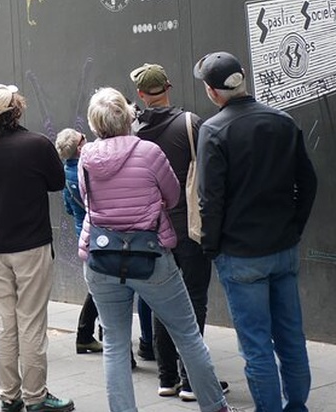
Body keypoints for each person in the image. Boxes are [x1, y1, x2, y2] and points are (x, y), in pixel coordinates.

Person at [78, 87, 231, 412]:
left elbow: (86, 199)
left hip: (101, 258)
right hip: (150, 255)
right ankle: (215, 407)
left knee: (116, 344)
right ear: (127, 117)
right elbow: (174, 197)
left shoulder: (86, 159)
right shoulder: (148, 152)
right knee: (188, 335)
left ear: (94, 123)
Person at [193, 52, 318, 412]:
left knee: (256, 345)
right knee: (291, 336)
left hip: (240, 253)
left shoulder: (214, 130)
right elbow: (307, 182)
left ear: (213, 93)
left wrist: (210, 246)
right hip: (282, 246)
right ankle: (296, 406)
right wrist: (295, 227)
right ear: (243, 78)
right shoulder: (282, 121)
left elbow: (210, 198)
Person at [131, 63, 228, 401]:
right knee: (194, 300)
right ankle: (191, 381)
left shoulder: (133, 132)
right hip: (190, 226)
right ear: (169, 87)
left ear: (141, 95)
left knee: (160, 301)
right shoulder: (190, 123)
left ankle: (166, 377)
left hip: (153, 229)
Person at [0, 84, 74, 412]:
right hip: (30, 245)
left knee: (4, 323)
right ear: (15, 109)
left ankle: (9, 396)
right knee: (31, 322)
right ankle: (35, 398)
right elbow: (57, 182)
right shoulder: (36, 144)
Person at [55, 128, 102, 355]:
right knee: (99, 286)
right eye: (83, 137)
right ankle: (85, 333)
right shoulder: (87, 171)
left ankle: (93, 332)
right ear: (80, 147)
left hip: (82, 232)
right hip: (97, 232)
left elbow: (67, 207)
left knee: (97, 283)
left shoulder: (66, 172)